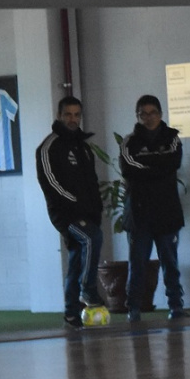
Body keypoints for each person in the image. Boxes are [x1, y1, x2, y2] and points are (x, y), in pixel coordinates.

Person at [36, 96, 106, 329]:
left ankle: (71, 314)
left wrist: (95, 208)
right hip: (65, 214)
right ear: (59, 115)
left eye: (76, 115)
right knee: (92, 237)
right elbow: (50, 183)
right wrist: (74, 202)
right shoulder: (48, 147)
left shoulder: (83, 147)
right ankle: (88, 289)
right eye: (68, 114)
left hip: (87, 213)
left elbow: (92, 182)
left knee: (77, 259)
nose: (72, 119)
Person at [119, 94, 188, 322]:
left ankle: (175, 306)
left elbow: (173, 163)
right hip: (139, 214)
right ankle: (134, 309)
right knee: (138, 264)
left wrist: (147, 169)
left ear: (161, 114)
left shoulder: (173, 139)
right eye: (144, 114)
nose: (149, 118)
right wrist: (158, 167)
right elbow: (129, 168)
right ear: (137, 116)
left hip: (167, 213)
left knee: (170, 263)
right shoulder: (129, 142)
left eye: (153, 113)